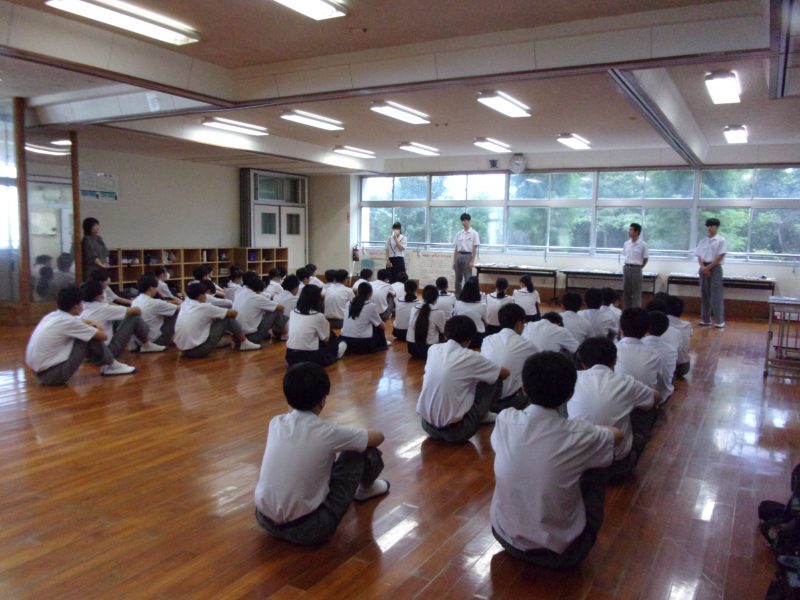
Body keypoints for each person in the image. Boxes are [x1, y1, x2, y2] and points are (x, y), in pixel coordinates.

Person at [490, 351, 620, 569]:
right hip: (562, 553)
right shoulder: (581, 434)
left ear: (523, 388)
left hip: (504, 535)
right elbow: (617, 435)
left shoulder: (505, 419)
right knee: (600, 457)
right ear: (571, 393)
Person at [254, 362, 389, 546]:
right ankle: (367, 488)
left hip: (264, 519)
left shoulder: (275, 422)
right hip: (310, 529)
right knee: (360, 450)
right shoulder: (327, 432)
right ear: (323, 400)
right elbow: (378, 437)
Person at [568, 337, 658, 481]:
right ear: (615, 360)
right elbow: (656, 397)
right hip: (616, 466)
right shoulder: (626, 382)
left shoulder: (573, 379)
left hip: (577, 463)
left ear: (582, 362)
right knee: (647, 406)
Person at [416, 316, 509, 443]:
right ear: (469, 339)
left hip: (427, 426)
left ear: (445, 335)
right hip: (458, 432)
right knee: (496, 379)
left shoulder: (433, 349)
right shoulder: (471, 357)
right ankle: (484, 415)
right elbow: (504, 373)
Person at [25, 285, 135, 385]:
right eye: (81, 303)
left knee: (86, 334)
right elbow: (103, 336)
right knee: (88, 338)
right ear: (76, 306)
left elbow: (80, 320)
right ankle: (113, 365)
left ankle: (110, 364)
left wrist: (92, 324)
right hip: (53, 376)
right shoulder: (69, 321)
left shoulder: (52, 315)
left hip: (40, 374)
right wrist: (98, 326)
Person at [174, 282, 258, 357]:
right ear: (201, 296)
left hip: (183, 350)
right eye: (205, 294)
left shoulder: (184, 305)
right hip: (199, 351)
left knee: (215, 318)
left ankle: (234, 341)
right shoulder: (205, 307)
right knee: (227, 318)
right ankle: (244, 342)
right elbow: (233, 313)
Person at [481, 303, 539, 412]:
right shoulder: (527, 345)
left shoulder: (487, 340)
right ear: (519, 324)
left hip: (485, 401)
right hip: (510, 403)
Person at [80, 279, 161, 356]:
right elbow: (136, 310)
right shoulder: (104, 308)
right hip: (107, 351)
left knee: (117, 319)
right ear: (100, 296)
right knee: (133, 318)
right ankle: (147, 344)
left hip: (88, 353)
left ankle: (133, 343)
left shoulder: (82, 307)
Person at [285, 285, 346, 366]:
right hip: (311, 357)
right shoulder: (318, 316)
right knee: (339, 341)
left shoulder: (293, 313)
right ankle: (338, 351)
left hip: (290, 356)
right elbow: (326, 339)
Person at [615, 308, 661, 391]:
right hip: (646, 397)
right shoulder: (654, 353)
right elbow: (657, 377)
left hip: (617, 396)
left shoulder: (612, 349)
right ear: (647, 331)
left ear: (620, 328)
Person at [233, 276, 287, 345]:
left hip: (236, 336)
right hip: (250, 337)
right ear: (259, 290)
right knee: (276, 311)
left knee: (267, 311)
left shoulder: (240, 292)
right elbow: (281, 308)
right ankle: (283, 334)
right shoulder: (256, 297)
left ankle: (277, 333)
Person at [695, 217, 727, 328]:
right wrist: (703, 268)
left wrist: (708, 268)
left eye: (712, 226)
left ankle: (719, 321)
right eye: (708, 226)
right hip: (703, 268)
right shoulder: (703, 241)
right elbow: (699, 256)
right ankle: (705, 319)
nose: (710, 228)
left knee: (716, 295)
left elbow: (720, 256)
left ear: (717, 227)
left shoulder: (721, 240)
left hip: (715, 268)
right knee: (704, 294)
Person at [340, 283, 388, 354]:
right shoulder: (371, 306)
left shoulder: (348, 304)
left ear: (358, 292)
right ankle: (382, 343)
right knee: (377, 326)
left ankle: (344, 345)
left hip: (345, 337)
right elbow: (382, 326)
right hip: (362, 342)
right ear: (370, 293)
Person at [132, 275, 179, 347]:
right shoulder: (155, 303)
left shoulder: (135, 301)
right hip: (155, 341)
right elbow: (179, 308)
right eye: (156, 287)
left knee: (166, 313)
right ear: (151, 288)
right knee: (177, 312)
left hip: (138, 341)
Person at [642, 310, 677, 403]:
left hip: (637, 396)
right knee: (673, 376)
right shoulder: (671, 350)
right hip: (661, 397)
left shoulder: (639, 344)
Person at [407, 284, 446, 360]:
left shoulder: (414, 308)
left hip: (412, 348)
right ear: (437, 297)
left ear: (422, 296)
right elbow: (443, 331)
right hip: (429, 350)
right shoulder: (438, 312)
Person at [453, 279, 486, 349]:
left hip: (461, 337)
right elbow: (487, 322)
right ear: (477, 292)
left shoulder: (457, 303)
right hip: (477, 338)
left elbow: (454, 317)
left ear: (464, 291)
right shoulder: (482, 306)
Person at [622, 222, 648, 309]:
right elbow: (625, 255)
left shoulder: (643, 245)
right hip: (626, 267)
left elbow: (645, 259)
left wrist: (639, 267)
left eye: (631, 230)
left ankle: (636, 311)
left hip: (636, 268)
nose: (628, 232)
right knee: (626, 291)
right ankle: (626, 310)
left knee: (636, 292)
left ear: (636, 232)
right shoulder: (626, 243)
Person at [452, 213, 479, 296]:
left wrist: (472, 261)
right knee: (457, 278)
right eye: (462, 221)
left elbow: (474, 249)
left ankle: (468, 296)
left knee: (468, 278)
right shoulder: (459, 233)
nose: (463, 222)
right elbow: (456, 249)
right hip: (459, 255)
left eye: (465, 220)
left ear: (469, 221)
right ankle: (458, 296)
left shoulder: (474, 233)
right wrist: (454, 261)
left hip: (468, 256)